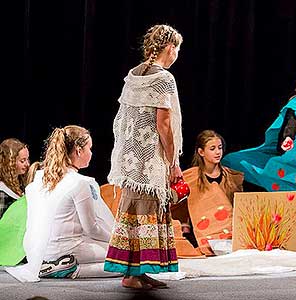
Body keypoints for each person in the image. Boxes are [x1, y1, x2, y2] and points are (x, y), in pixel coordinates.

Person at [104, 24, 183, 289]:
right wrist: (173, 162)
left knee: (134, 212)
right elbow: (163, 124)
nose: (177, 54)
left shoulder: (133, 74)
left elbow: (123, 121)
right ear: (170, 47)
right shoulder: (164, 79)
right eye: (177, 49)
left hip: (131, 162)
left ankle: (137, 272)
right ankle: (132, 275)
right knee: (146, 212)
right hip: (150, 162)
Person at [5, 126, 115, 282]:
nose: (91, 153)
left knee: (114, 252)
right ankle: (71, 269)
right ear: (78, 150)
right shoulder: (79, 183)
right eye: (89, 148)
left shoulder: (41, 178)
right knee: (124, 257)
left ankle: (56, 265)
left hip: (41, 251)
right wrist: (116, 239)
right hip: (68, 249)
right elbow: (91, 229)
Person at [222, 66, 296, 208]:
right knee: (255, 168)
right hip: (291, 157)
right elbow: (291, 123)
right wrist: (288, 138)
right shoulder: (295, 105)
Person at [171, 130, 244, 255]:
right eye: (212, 148)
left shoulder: (232, 177)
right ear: (201, 152)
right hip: (204, 236)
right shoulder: (190, 177)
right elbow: (175, 202)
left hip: (232, 235)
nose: (217, 152)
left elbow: (240, 206)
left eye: (220, 148)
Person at [0, 138, 30, 218]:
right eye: (22, 161)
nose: (27, 164)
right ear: (10, 162)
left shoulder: (22, 184)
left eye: (27, 159)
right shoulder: (2, 193)